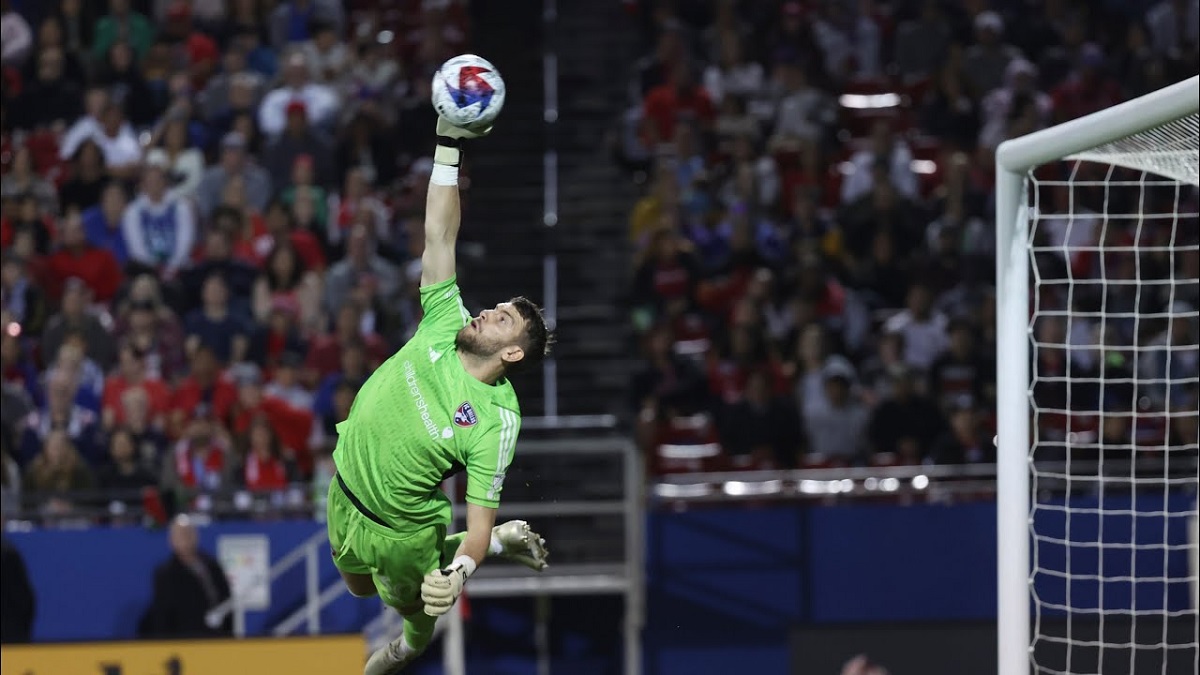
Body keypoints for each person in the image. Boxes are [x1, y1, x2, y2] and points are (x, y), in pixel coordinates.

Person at [329, 116, 553, 675]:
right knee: (356, 588)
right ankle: (503, 547)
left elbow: (476, 523)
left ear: (513, 354)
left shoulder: (497, 422)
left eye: (501, 319)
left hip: (404, 535)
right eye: (494, 307)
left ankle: (410, 648)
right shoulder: (444, 321)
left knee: (416, 610)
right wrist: (448, 143)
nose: (484, 312)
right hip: (344, 484)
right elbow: (439, 231)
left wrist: (458, 573)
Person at [139, 514, 232, 638]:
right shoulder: (166, 573)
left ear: (196, 536)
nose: (185, 538)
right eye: (180, 535)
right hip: (184, 640)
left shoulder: (212, 566)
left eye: (188, 533)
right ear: (172, 540)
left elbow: (226, 599)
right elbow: (163, 613)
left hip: (215, 637)